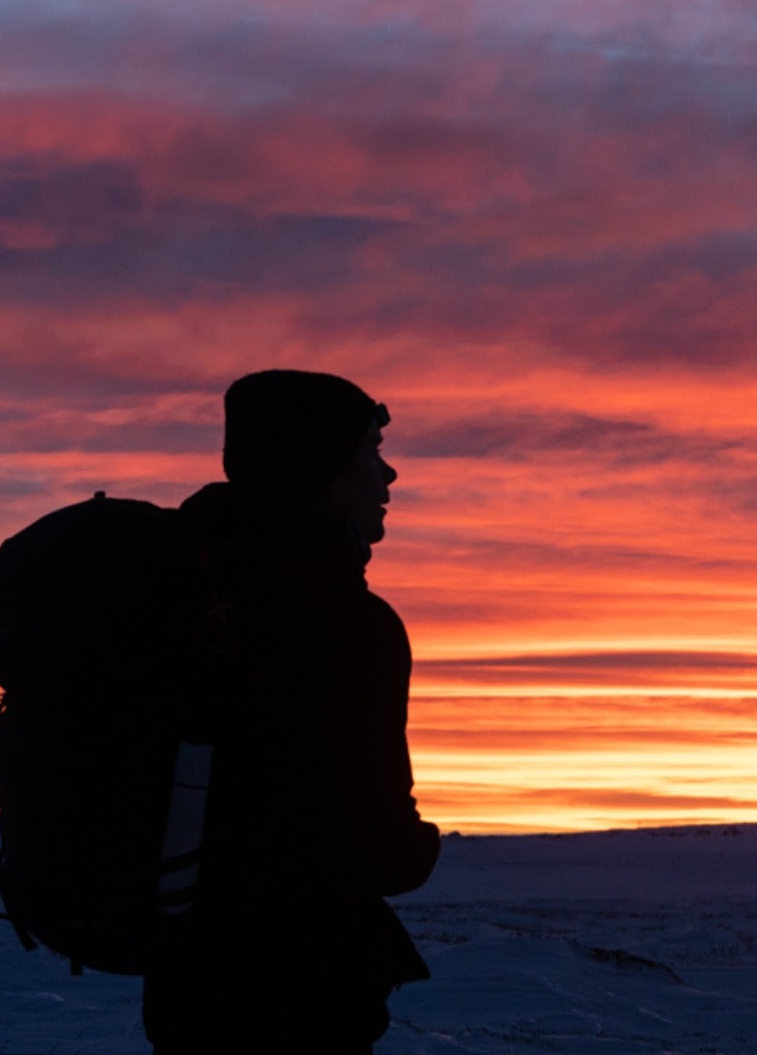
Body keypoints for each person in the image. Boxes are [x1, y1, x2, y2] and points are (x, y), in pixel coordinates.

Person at [143, 369, 442, 1054]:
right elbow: (380, 844)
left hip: (184, 978)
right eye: (372, 452)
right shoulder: (346, 624)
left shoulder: (175, 598)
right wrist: (423, 849)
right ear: (324, 470)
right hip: (305, 986)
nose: (389, 475)